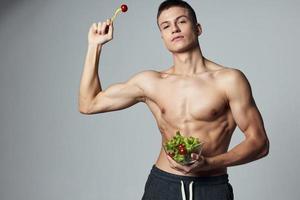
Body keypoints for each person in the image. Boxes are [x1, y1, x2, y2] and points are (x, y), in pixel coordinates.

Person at [78, 0, 270, 199]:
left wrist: (210, 163)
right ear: (162, 36)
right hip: (163, 185)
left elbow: (259, 143)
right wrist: (95, 47)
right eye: (166, 26)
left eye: (182, 21)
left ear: (198, 28)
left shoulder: (229, 80)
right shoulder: (151, 82)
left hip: (211, 187)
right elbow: (89, 104)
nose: (174, 29)